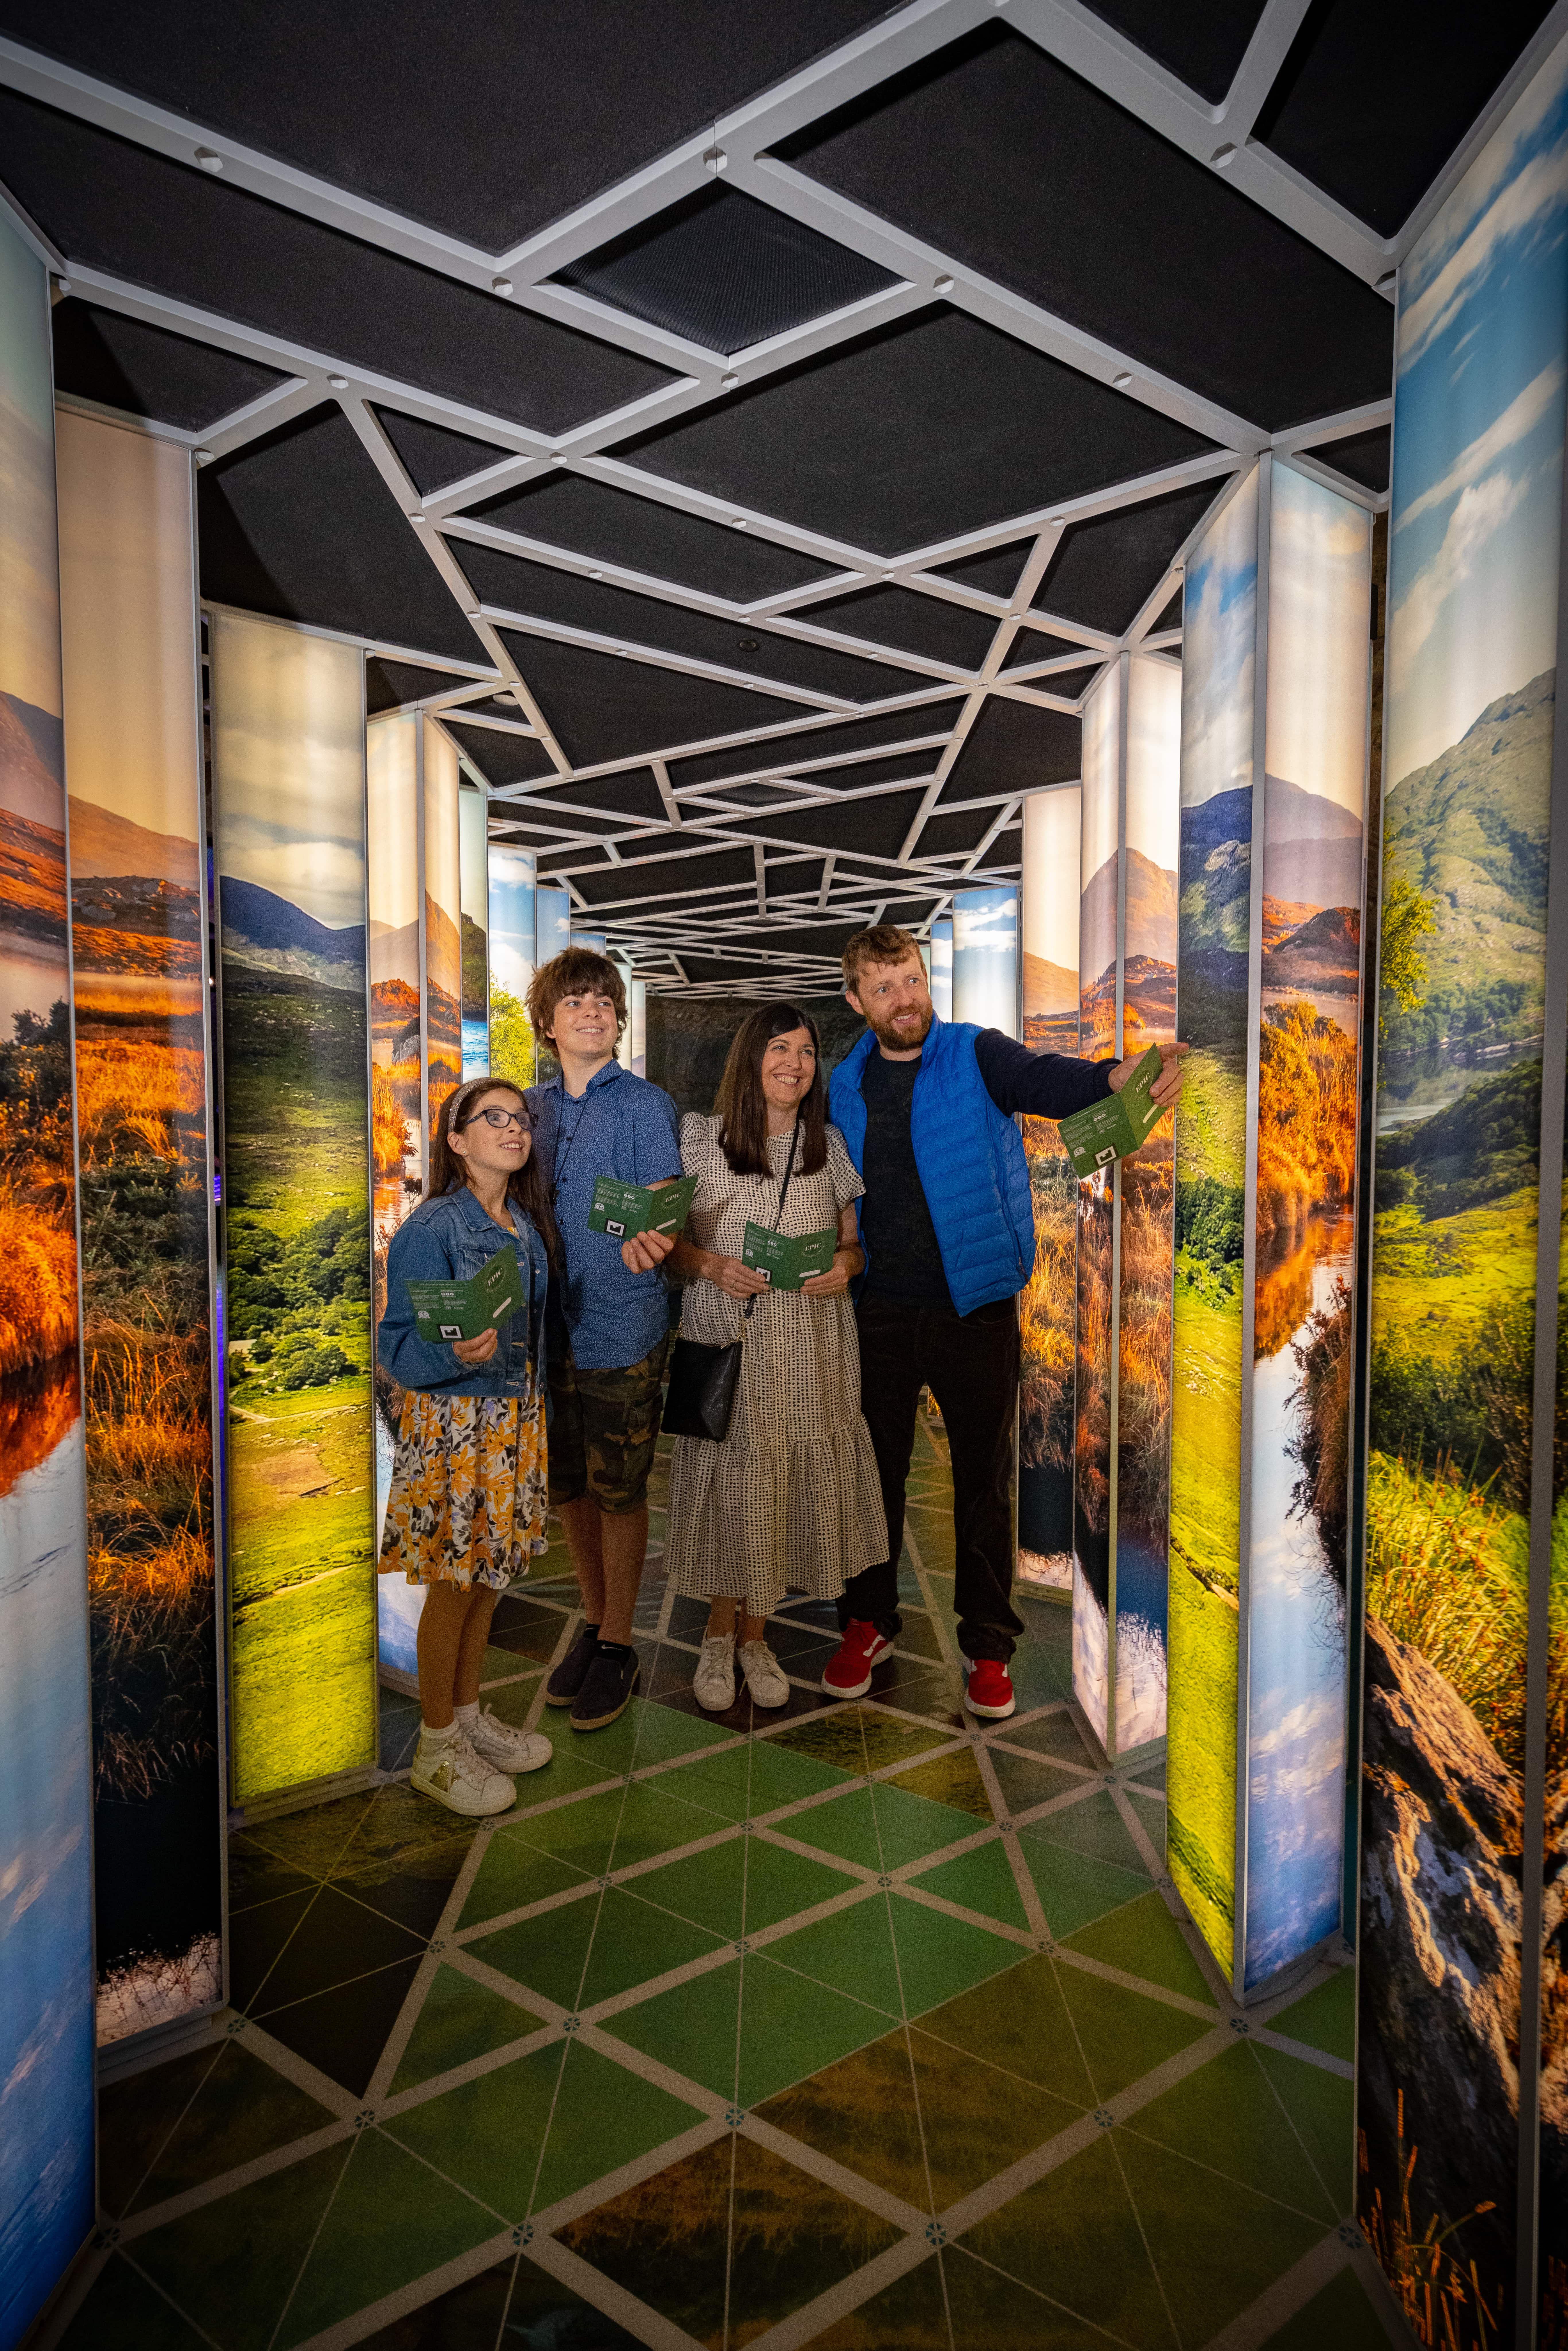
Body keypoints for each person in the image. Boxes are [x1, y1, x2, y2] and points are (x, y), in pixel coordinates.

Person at [825, 923, 1187, 1721]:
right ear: (856, 1001)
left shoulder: (974, 1053)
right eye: (883, 988)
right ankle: (866, 1620)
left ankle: (988, 1644)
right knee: (870, 1477)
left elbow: (1045, 1079)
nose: (903, 998)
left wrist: (1114, 1076)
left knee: (984, 1484)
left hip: (977, 1308)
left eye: (911, 979)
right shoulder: (844, 1084)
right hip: (878, 1308)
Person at [625, 1004, 885, 1712]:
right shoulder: (700, 1139)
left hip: (811, 1345)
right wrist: (711, 1264)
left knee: (780, 1486)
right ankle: (716, 1634)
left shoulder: (826, 1145)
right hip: (729, 1340)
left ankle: (755, 1637)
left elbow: (853, 1244)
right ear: (751, 1058)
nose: (794, 1063)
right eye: (779, 1048)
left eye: (804, 1051)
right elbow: (666, 1245)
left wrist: (845, 1266)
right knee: (735, 1483)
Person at [379, 1076, 558, 1815]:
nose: (514, 1129)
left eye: (521, 1119)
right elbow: (396, 1344)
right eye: (494, 1118)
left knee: (489, 1579)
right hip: (455, 1428)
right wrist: (454, 1352)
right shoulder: (432, 1226)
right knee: (454, 1586)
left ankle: (465, 1715)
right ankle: (434, 1747)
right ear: (456, 1141)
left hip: (512, 1422)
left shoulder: (523, 1223)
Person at [525, 947, 682, 1733]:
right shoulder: (528, 1109)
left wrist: (657, 1235)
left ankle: (619, 1641)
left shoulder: (645, 1106)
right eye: (575, 1001)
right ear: (547, 1024)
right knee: (569, 1488)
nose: (593, 1011)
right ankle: (592, 1620)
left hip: (622, 1325)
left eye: (603, 1001)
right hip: (543, 1330)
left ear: (618, 1020)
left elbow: (662, 1203)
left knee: (619, 1490)